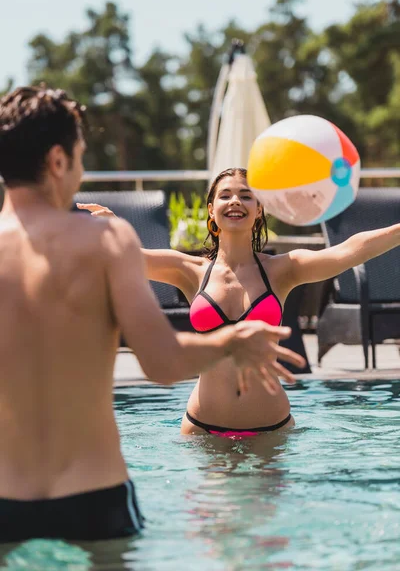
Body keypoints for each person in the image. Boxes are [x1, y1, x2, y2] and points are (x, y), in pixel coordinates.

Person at [0, 87, 305, 543]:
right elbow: (160, 363)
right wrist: (231, 343)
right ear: (59, 162)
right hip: (93, 491)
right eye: (82, 154)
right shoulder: (105, 240)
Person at [80, 166, 400, 439]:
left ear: (259, 209)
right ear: (211, 209)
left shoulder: (283, 270)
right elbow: (126, 254)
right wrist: (109, 227)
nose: (236, 201)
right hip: (202, 429)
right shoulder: (188, 271)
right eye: (225, 195)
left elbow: (350, 250)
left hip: (270, 428)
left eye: (246, 195)